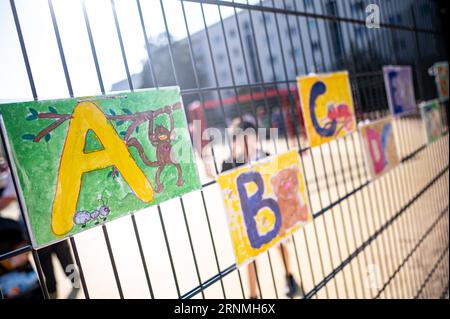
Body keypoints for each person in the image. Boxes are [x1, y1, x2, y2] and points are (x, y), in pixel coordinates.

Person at [221, 118, 304, 299]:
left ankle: (289, 277)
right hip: (248, 219)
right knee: (250, 256)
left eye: (249, 138)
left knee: (281, 243)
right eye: (240, 139)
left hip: (270, 212)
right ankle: (253, 296)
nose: (246, 143)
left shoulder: (265, 156)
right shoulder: (229, 164)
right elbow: (227, 191)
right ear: (234, 142)